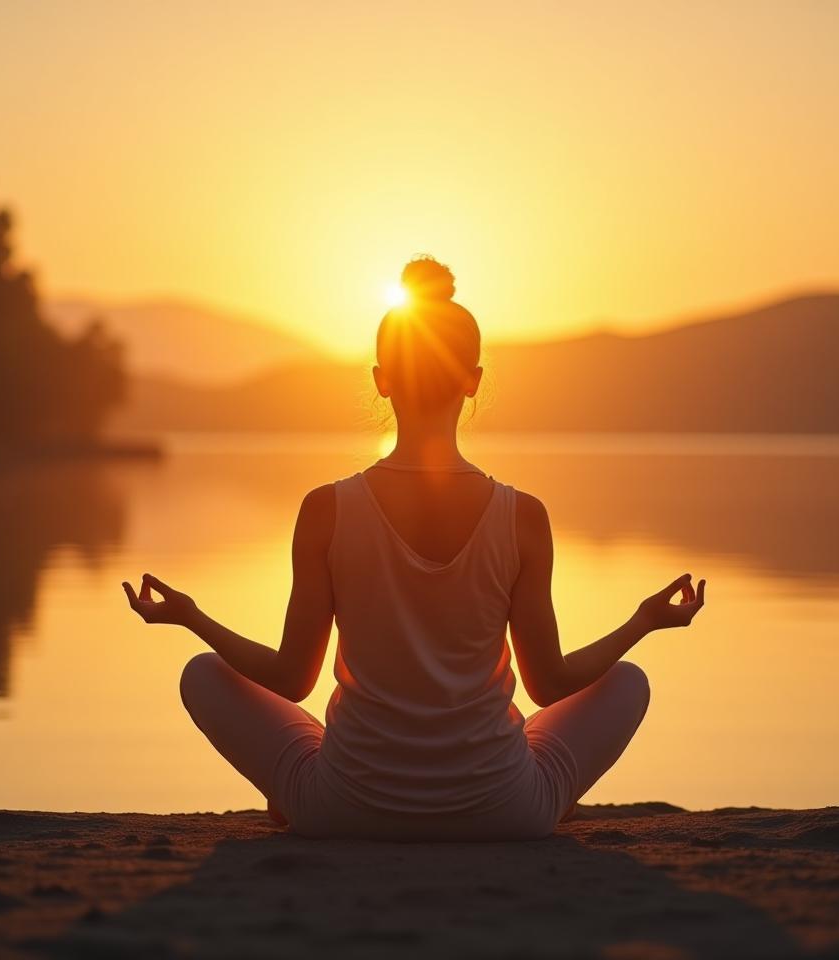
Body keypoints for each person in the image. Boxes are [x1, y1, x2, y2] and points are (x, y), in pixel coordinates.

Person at [123, 256, 706, 840]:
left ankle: (303, 790)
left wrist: (190, 616)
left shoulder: (327, 509)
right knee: (629, 682)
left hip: (342, 809)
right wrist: (644, 620)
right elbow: (549, 685)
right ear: (473, 379)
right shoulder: (523, 517)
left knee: (202, 674)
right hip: (506, 812)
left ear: (382, 379)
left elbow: (292, 678)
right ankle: (533, 789)